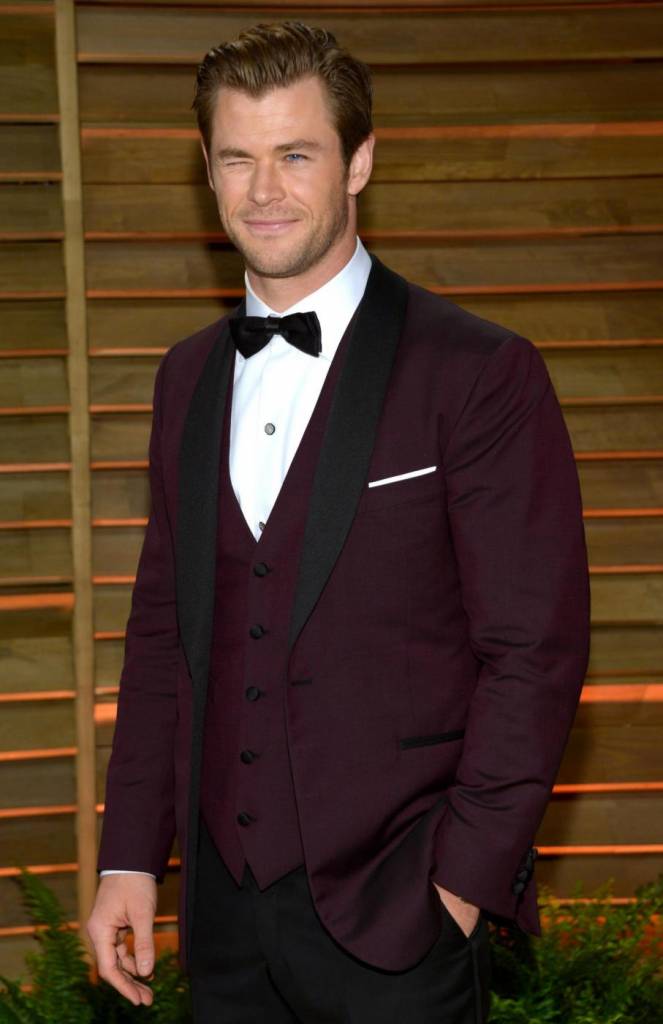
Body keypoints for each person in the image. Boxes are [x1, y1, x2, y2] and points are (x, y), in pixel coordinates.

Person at [86, 21, 591, 1024]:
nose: (262, 190)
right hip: (223, 927)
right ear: (207, 170)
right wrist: (131, 857)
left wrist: (460, 887)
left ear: (359, 162)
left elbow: (534, 649)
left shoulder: (478, 372)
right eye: (237, 158)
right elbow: (163, 638)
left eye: (295, 154)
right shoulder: (185, 378)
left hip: (401, 920)